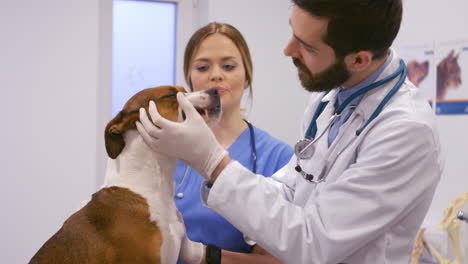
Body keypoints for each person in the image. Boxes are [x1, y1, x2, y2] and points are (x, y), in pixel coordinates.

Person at [137, 0, 444, 263]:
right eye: (292, 32)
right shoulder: (328, 101)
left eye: (306, 46)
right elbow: (288, 193)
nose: (287, 50)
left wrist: (212, 162)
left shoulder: (407, 133)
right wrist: (193, 251)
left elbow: (313, 242)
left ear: (358, 59)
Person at [167, 22, 293, 263]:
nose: (216, 74)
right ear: (190, 78)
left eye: (228, 66)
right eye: (203, 67)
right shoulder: (168, 149)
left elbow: (281, 260)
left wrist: (204, 256)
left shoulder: (277, 157)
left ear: (247, 77)